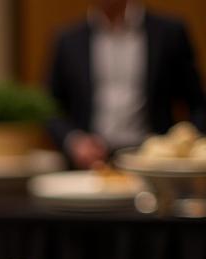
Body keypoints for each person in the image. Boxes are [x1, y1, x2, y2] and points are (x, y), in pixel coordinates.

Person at [47, 0, 206, 169]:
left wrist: (185, 148)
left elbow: (198, 104)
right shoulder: (68, 40)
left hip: (154, 163)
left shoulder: (168, 33)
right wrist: (73, 141)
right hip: (92, 163)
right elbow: (50, 107)